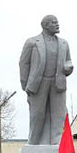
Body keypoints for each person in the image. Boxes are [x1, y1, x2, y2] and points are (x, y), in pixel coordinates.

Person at [19, 14, 74, 145]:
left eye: (57, 22)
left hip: (58, 82)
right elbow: (23, 63)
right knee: (37, 113)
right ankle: (34, 140)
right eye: (54, 22)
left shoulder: (63, 43)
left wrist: (68, 67)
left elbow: (68, 60)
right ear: (45, 25)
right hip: (39, 83)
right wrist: (25, 85)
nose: (57, 24)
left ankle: (57, 139)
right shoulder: (32, 42)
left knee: (59, 112)